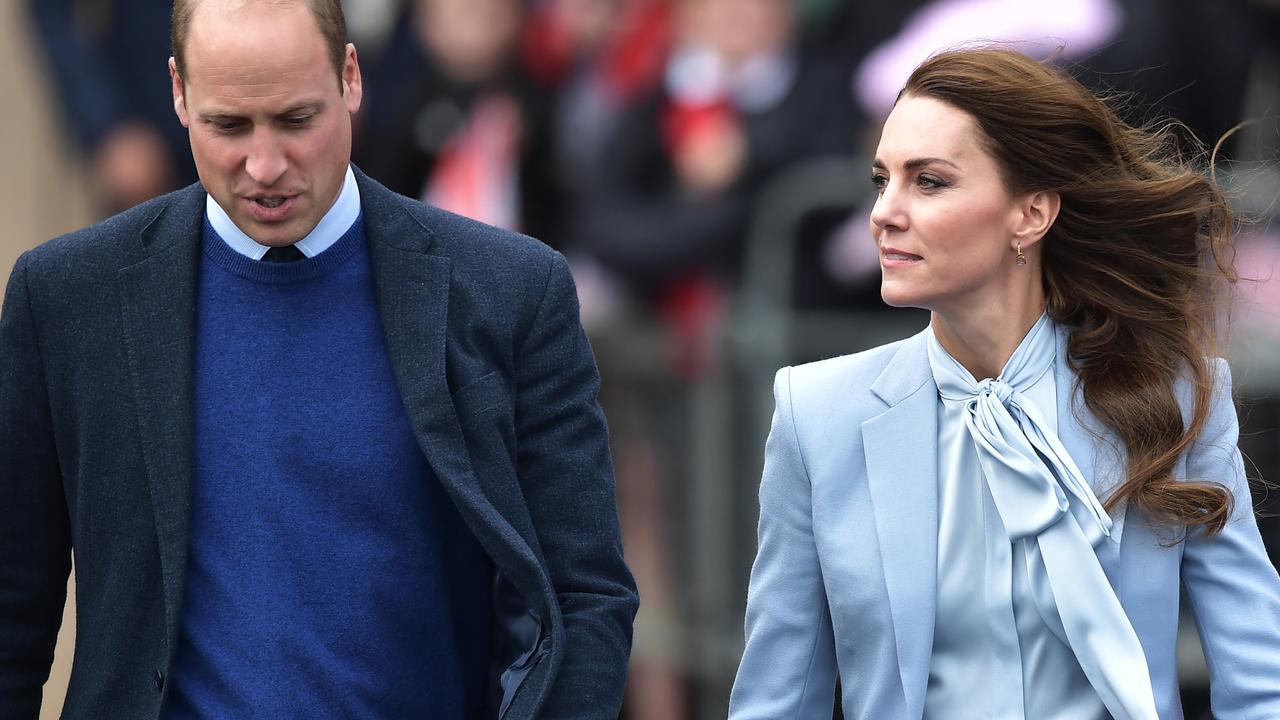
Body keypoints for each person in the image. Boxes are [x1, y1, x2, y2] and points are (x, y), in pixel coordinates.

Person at [0, 0, 637, 717]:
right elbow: (12, 610)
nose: (265, 166)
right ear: (178, 92)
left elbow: (585, 595)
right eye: (228, 125)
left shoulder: (511, 293)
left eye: (297, 120)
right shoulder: (64, 299)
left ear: (351, 77)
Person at [729, 48, 1280, 719]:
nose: (883, 212)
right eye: (882, 180)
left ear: (1031, 215)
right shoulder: (816, 415)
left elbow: (1260, 679)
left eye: (928, 181)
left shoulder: (1175, 395)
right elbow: (777, 698)